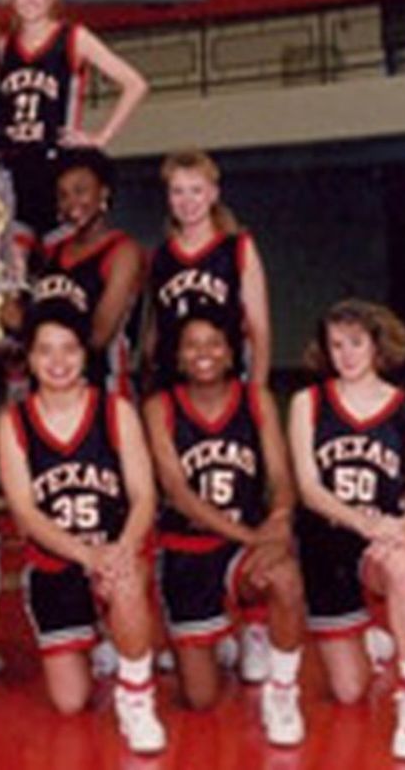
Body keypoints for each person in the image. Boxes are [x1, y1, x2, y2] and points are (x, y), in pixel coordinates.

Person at [0, 303, 165, 754]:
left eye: (69, 349)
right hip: (57, 561)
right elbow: (26, 514)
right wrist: (88, 556)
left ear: (84, 354)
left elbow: (144, 495)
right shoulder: (14, 422)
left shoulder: (115, 411)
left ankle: (136, 695)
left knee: (127, 583)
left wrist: (121, 550)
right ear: (29, 359)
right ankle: (101, 636)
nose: (58, 362)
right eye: (46, 351)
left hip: (115, 553)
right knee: (70, 703)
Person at [143, 313, 305, 745]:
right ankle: (224, 632)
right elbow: (179, 494)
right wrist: (257, 537)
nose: (204, 354)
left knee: (285, 579)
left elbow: (281, 476)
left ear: (232, 353)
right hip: (187, 550)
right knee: (200, 699)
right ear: (177, 358)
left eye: (214, 343)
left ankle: (282, 690)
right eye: (192, 345)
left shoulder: (255, 399)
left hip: (243, 552)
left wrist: (280, 518)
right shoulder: (160, 408)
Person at [287, 299, 405, 761]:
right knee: (349, 691)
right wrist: (363, 523)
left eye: (356, 342)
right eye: (336, 345)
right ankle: (370, 639)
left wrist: (397, 529)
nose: (346, 354)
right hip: (326, 542)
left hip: (383, 541)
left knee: (404, 564)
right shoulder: (307, 403)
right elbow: (310, 489)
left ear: (377, 344)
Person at [0, 0, 148, 241]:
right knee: (15, 269)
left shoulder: (73, 38)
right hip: (13, 170)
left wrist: (101, 138)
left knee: (62, 266)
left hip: (59, 171)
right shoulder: (3, 46)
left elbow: (135, 84)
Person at [145, 150, 271, 390]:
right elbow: (154, 331)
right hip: (172, 386)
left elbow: (259, 331)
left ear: (213, 194)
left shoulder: (238, 247)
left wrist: (258, 391)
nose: (187, 201)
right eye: (178, 191)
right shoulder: (160, 255)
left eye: (196, 190)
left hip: (227, 384)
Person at [25, 149, 143, 396]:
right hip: (50, 391)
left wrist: (33, 334)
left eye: (80, 191)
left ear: (103, 192)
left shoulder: (123, 251)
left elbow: (99, 336)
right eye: (63, 195)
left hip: (103, 388)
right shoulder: (51, 251)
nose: (72, 204)